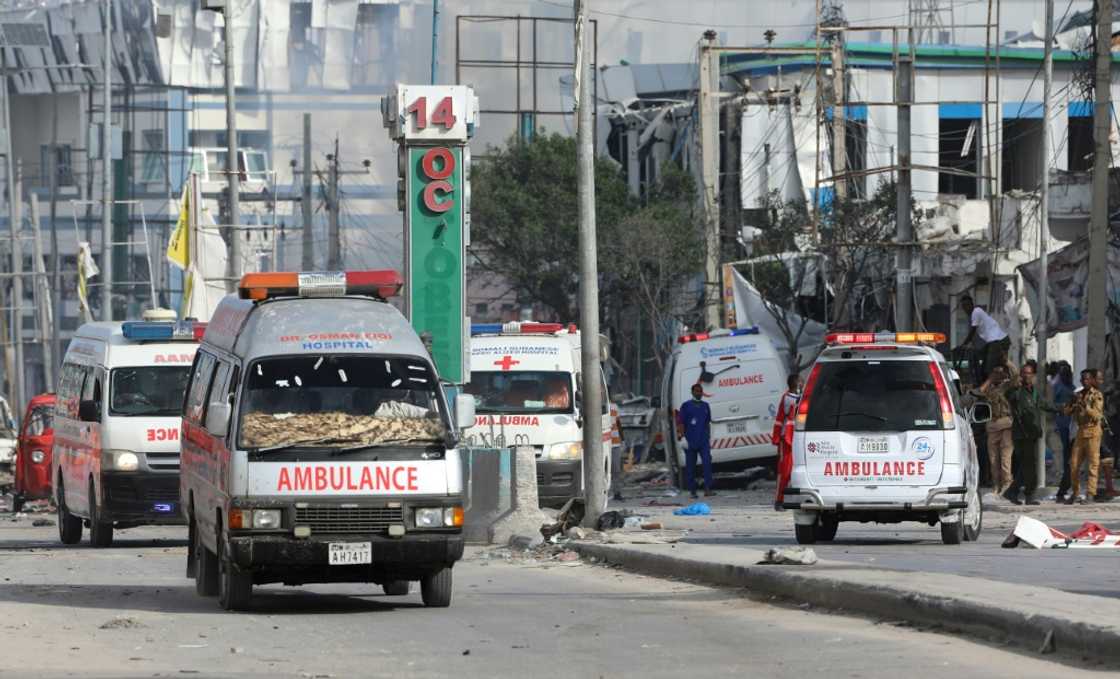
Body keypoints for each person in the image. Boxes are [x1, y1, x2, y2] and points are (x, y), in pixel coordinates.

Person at [1004, 361, 1055, 505]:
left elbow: (1044, 404)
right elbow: (1009, 395)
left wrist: (1062, 408)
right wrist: (1015, 384)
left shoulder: (1033, 392)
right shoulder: (1016, 392)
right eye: (1024, 374)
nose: (1027, 376)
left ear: (1033, 376)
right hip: (1022, 434)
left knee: (1026, 466)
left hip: (1032, 433)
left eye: (1029, 374)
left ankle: (1013, 492)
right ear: (1021, 375)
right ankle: (1027, 495)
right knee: (1029, 467)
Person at [971, 363, 1015, 494]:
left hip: (1006, 423)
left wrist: (1007, 362)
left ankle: (1007, 483)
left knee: (1005, 457)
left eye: (1000, 372)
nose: (998, 375)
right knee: (993, 458)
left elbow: (1016, 376)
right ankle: (996, 484)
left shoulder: (1007, 386)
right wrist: (990, 379)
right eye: (995, 372)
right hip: (992, 425)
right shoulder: (988, 387)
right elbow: (978, 393)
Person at [1065, 368, 1106, 504]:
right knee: (1074, 464)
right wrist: (1072, 403)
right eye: (1082, 379)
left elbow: (1097, 415)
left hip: (1093, 431)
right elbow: (1066, 412)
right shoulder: (1078, 394)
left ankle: (1090, 494)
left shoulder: (1096, 395)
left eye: (1087, 379)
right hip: (1081, 431)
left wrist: (1085, 406)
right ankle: (1075, 493)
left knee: (1092, 465)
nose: (1084, 381)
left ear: (1092, 380)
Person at [954, 295, 1010, 381]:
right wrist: (969, 345)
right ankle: (992, 379)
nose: (965, 308)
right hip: (996, 341)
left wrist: (963, 344)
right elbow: (975, 335)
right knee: (983, 363)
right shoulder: (974, 315)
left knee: (988, 369)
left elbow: (972, 332)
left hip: (998, 341)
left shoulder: (976, 311)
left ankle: (999, 381)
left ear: (972, 304)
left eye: (967, 305)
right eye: (963, 306)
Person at [677, 383, 714, 499]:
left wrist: (708, 436)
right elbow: (680, 423)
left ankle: (708, 489)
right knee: (690, 466)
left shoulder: (705, 406)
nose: (699, 393)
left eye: (700, 391)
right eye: (697, 391)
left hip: (703, 440)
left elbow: (707, 422)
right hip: (690, 440)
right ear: (692, 392)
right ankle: (692, 490)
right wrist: (682, 437)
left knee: (707, 463)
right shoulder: (686, 406)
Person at [771, 374, 802, 511]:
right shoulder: (788, 398)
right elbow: (780, 418)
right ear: (795, 383)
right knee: (784, 471)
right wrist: (777, 438)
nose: (802, 383)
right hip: (787, 439)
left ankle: (792, 499)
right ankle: (779, 501)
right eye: (800, 381)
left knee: (795, 471)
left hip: (796, 437)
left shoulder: (795, 397)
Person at [1053, 362, 1076, 502]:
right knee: (1067, 457)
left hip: (1072, 426)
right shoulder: (1057, 387)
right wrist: (1061, 407)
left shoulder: (1072, 387)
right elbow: (1052, 403)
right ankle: (1063, 488)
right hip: (1062, 425)